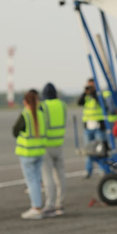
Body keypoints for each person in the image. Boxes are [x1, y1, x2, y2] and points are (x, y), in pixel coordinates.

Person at [12, 89, 46, 219]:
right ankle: (38, 206)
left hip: (27, 154)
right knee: (36, 181)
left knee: (32, 182)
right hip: (40, 152)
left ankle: (36, 208)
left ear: (25, 102)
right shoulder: (41, 114)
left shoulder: (25, 115)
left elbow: (15, 131)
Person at [40, 83, 67, 217]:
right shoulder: (62, 105)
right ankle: (60, 203)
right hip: (59, 144)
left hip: (46, 145)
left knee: (48, 177)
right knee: (60, 175)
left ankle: (49, 204)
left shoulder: (43, 106)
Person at [77, 78, 107, 178]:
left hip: (98, 126)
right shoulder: (86, 96)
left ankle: (102, 170)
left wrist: (94, 92)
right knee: (88, 149)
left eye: (92, 86)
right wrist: (85, 92)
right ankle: (88, 170)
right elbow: (79, 102)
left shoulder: (99, 94)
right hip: (88, 126)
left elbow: (103, 104)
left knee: (100, 149)